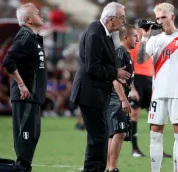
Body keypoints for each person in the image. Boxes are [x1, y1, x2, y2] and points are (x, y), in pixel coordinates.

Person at [137, 2, 178, 172]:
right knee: (155, 134)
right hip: (158, 94)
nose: (160, 20)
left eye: (163, 17)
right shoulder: (155, 40)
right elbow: (141, 59)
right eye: (157, 18)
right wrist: (144, 37)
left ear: (172, 17)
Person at [70, 2, 130, 172]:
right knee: (99, 137)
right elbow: (93, 67)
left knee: (98, 137)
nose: (123, 21)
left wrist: (117, 74)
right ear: (111, 19)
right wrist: (115, 73)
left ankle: (92, 169)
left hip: (96, 93)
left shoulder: (103, 32)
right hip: (90, 93)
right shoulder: (96, 34)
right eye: (122, 18)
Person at [2, 3, 47, 172]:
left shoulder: (34, 37)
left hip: (34, 98)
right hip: (25, 98)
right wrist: (21, 85)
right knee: (25, 142)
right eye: (37, 13)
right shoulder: (25, 36)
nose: (41, 15)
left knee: (32, 138)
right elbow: (8, 61)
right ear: (28, 19)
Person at [129, 21, 172, 158]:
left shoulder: (150, 43)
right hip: (137, 80)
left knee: (154, 115)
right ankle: (135, 149)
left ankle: (157, 149)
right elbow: (128, 68)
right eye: (142, 28)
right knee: (134, 115)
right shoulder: (132, 45)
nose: (144, 31)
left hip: (149, 81)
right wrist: (132, 89)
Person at [106, 24, 139, 172]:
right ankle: (112, 167)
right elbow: (115, 78)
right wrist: (123, 99)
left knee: (117, 133)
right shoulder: (120, 52)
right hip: (115, 99)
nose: (137, 39)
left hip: (119, 98)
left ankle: (109, 167)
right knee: (119, 133)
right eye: (134, 36)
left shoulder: (126, 53)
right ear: (126, 37)